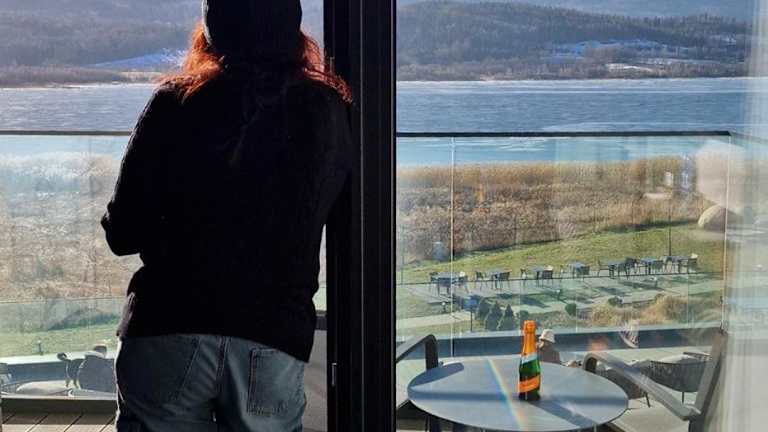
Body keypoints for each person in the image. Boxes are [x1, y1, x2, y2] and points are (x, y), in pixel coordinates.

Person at [101, 0, 353, 430]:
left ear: (212, 31)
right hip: (272, 334)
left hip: (167, 323)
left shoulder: (175, 102)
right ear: (292, 30)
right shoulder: (327, 110)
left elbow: (122, 234)